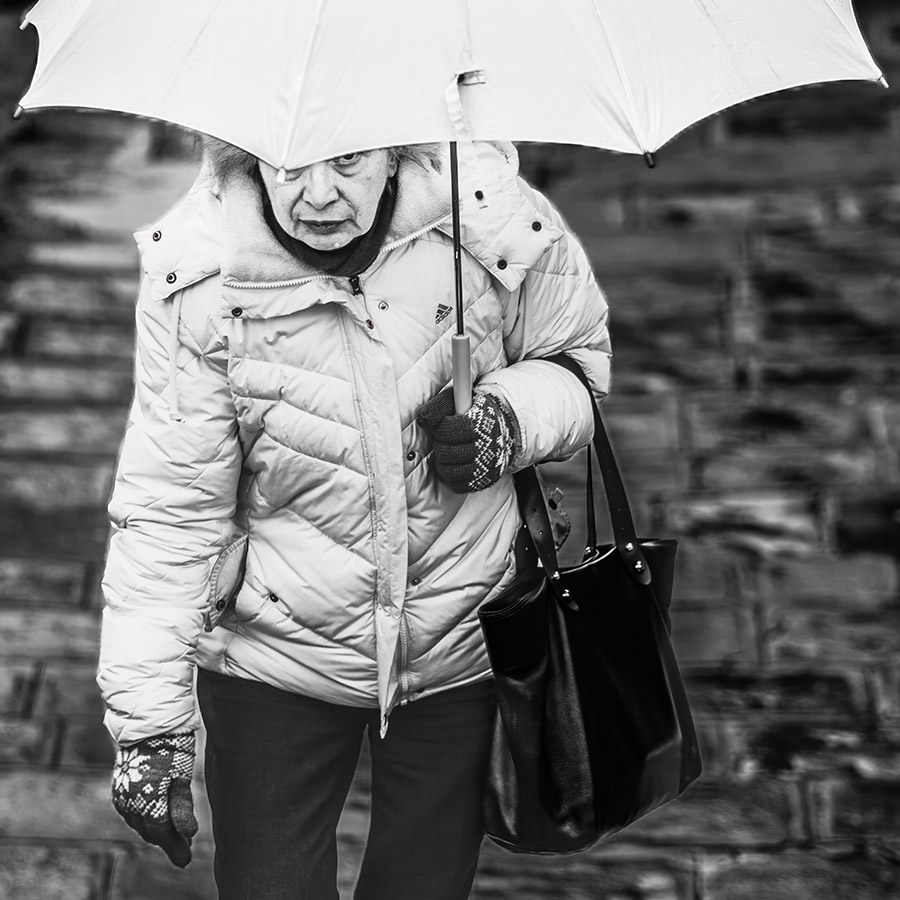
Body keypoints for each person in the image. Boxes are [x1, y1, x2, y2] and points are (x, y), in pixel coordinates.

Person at [99, 137, 611, 900]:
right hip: (276, 652)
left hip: (459, 639)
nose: (318, 196)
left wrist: (507, 419)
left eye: (347, 162)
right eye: (291, 164)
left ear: (397, 146)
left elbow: (576, 362)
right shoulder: (202, 279)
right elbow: (171, 506)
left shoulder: (488, 217)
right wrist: (149, 728)